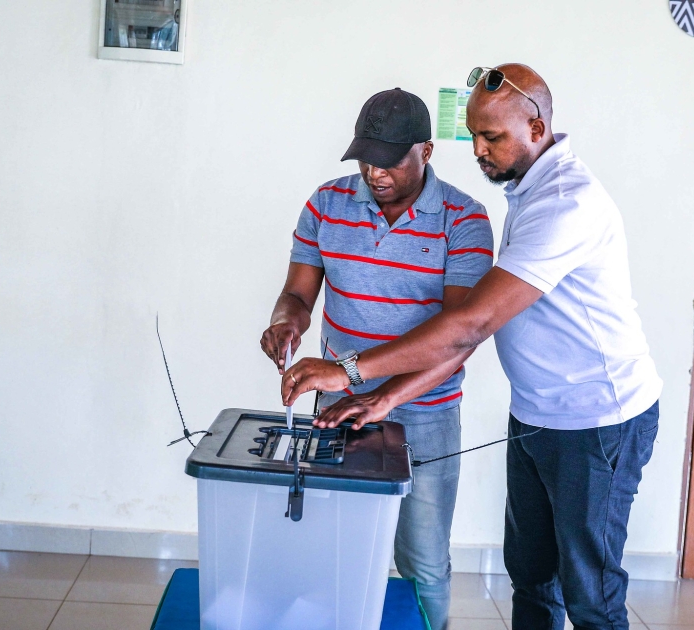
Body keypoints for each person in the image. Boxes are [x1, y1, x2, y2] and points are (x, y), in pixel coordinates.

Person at [282, 65, 662, 630]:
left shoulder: (565, 202)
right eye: (475, 136)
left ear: (536, 125)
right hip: (537, 412)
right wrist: (377, 397)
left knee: (591, 596)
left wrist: (349, 372)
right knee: (532, 576)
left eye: (492, 137)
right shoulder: (526, 189)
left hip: (595, 419)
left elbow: (467, 327)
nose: (479, 150)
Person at [259, 87, 494, 630]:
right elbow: (298, 294)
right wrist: (285, 323)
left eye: (389, 159)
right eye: (365, 157)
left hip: (426, 413)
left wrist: (354, 374)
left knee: (424, 562)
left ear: (426, 152)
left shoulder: (465, 220)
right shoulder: (326, 203)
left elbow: (458, 339)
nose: (374, 171)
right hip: (337, 407)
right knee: (333, 546)